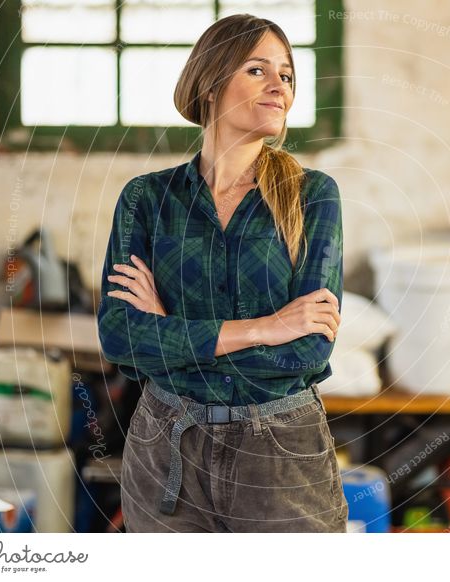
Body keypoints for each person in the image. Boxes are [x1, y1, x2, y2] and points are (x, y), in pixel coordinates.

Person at [96, 13, 347, 533]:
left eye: (287, 75)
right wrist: (265, 327)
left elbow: (306, 349)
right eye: (258, 70)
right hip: (165, 448)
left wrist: (168, 331)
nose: (279, 85)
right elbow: (120, 336)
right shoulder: (146, 200)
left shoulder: (313, 195)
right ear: (210, 84)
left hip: (281, 453)